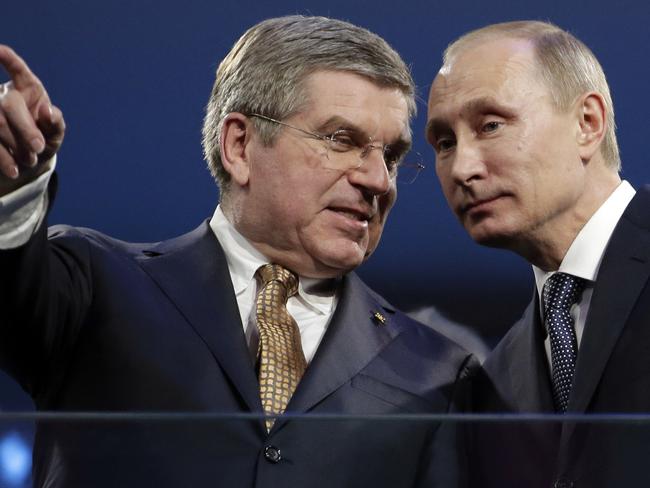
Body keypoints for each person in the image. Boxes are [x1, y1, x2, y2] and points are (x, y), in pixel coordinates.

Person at [0, 15, 476, 488]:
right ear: (240, 145)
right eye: (341, 140)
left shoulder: (436, 369)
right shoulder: (95, 284)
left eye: (390, 156)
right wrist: (13, 187)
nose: (378, 180)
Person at [426, 20, 650, 487]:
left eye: (490, 125)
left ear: (587, 123)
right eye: (445, 143)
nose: (462, 168)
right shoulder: (499, 376)